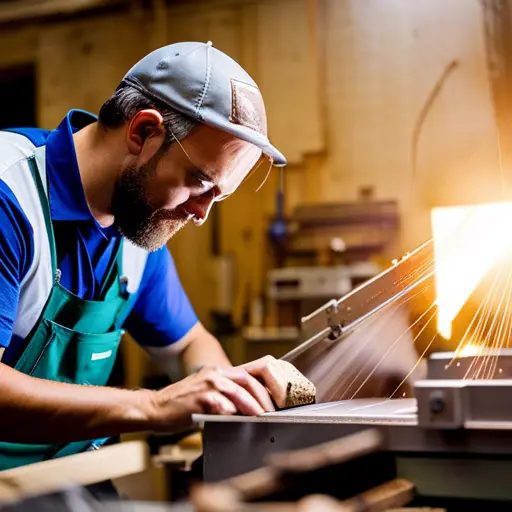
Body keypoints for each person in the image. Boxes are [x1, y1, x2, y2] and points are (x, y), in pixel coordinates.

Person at [0, 41, 288, 471]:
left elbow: (187, 343)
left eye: (218, 197)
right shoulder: (11, 196)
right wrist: (153, 407)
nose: (200, 214)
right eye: (199, 182)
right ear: (142, 132)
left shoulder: (137, 225)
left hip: (59, 480)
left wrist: (229, 393)